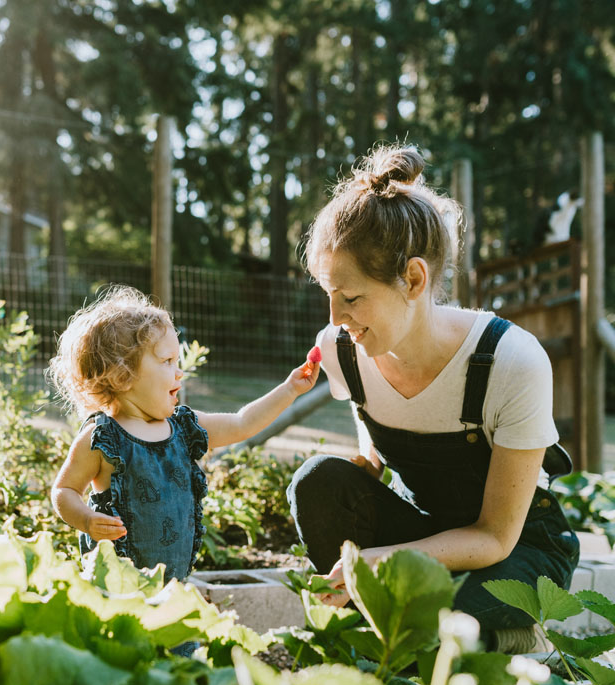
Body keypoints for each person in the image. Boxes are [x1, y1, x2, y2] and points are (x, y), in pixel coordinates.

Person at [286, 144, 579, 654]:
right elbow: (374, 439)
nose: (335, 318)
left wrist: (392, 562)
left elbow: (493, 537)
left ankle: (510, 635)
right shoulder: (344, 351)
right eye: (328, 294)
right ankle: (400, 636)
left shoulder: (511, 360)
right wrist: (363, 475)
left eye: (351, 298)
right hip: (431, 532)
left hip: (516, 553)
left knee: (438, 602)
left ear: (414, 279)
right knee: (317, 481)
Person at [49, 285, 319, 586]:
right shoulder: (102, 438)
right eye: (167, 362)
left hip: (172, 585)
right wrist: (86, 520)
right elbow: (64, 491)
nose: (179, 373)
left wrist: (290, 389)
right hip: (115, 586)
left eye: (178, 362)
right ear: (121, 375)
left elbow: (243, 423)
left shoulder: (183, 428)